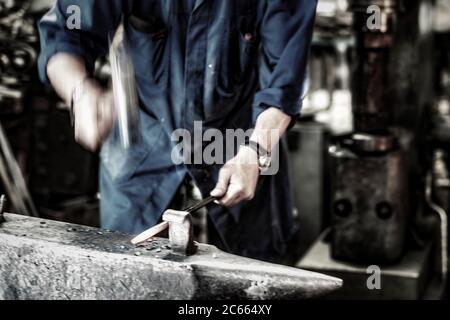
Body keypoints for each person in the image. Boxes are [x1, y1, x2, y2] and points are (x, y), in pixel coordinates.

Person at [38, 0, 317, 262]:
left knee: (250, 287)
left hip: (243, 150)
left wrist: (258, 150)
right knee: (133, 280)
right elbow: (67, 29)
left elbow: (284, 81)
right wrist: (80, 90)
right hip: (141, 154)